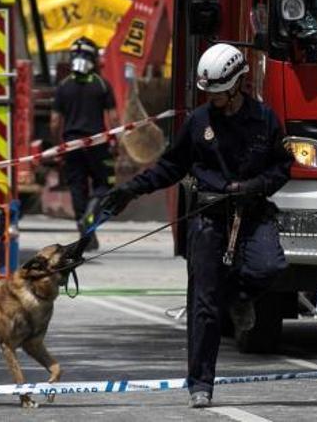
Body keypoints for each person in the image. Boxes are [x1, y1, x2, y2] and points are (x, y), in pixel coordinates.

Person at [100, 43, 292, 408]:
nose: (213, 98)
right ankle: (200, 383)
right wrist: (130, 191)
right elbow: (170, 166)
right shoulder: (199, 122)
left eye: (219, 91)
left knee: (271, 266)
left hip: (251, 214)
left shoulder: (265, 120)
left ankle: (238, 299)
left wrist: (257, 186)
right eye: (209, 92)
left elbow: (282, 167)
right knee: (204, 305)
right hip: (208, 219)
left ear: (238, 84)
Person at [50, 37, 119, 251]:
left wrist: (58, 144)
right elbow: (114, 119)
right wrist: (116, 141)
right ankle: (92, 214)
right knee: (104, 185)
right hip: (97, 145)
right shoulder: (101, 84)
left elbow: (54, 122)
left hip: (71, 147)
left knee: (77, 189)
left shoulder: (63, 86)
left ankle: (84, 224)